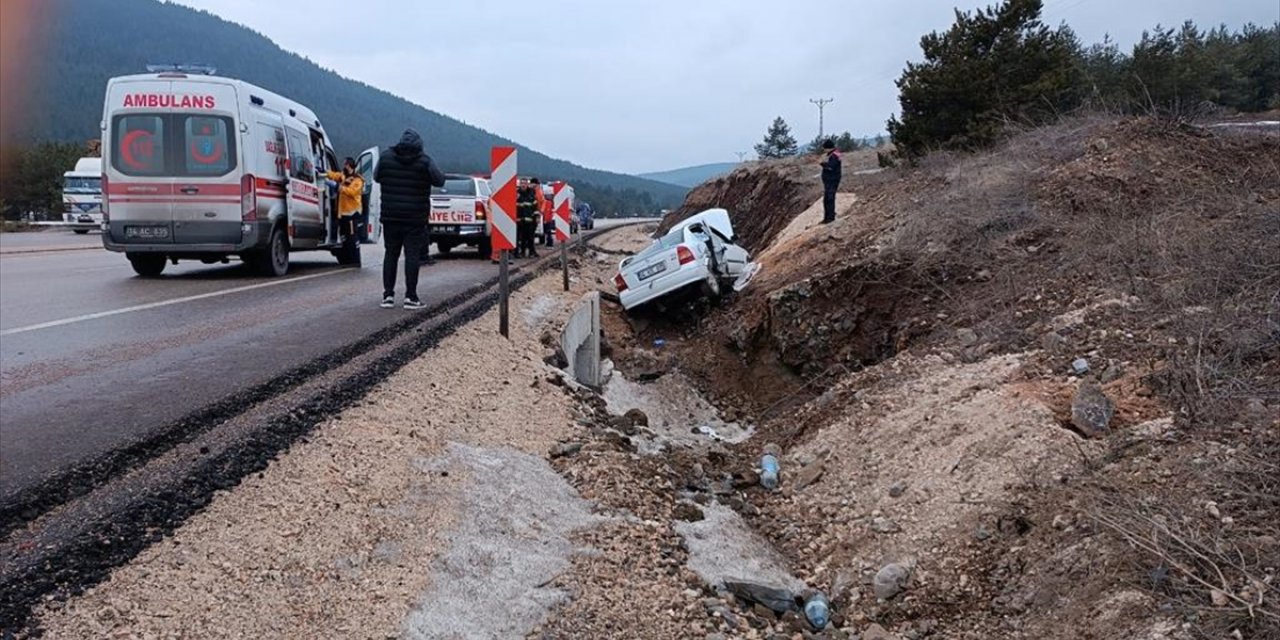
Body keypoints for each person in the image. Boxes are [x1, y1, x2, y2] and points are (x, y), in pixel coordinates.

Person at [374, 129, 445, 309]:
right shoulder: (424, 161)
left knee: (390, 254)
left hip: (390, 216)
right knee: (411, 256)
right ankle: (411, 297)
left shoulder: (386, 157)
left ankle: (388, 296)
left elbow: (376, 176)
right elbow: (440, 180)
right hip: (415, 217)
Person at [321, 157, 364, 263]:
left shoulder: (358, 180)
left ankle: (355, 260)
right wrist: (325, 172)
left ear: (350, 165)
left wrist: (338, 187)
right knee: (344, 237)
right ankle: (346, 259)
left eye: (345, 164)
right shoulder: (343, 176)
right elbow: (335, 175)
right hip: (343, 213)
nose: (344, 166)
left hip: (352, 213)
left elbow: (352, 192)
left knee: (352, 237)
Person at [819, 139, 842, 224]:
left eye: (825, 148)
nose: (824, 150)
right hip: (829, 180)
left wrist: (822, 164)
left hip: (832, 180)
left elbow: (831, 167)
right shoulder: (832, 154)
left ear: (828, 148)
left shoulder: (834, 155)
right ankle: (827, 217)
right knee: (827, 199)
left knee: (829, 198)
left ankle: (830, 218)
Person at [515, 178, 539, 258]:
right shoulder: (517, 194)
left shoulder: (531, 194)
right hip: (519, 219)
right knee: (519, 237)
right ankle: (521, 252)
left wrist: (536, 217)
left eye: (524, 183)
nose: (523, 185)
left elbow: (535, 207)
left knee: (530, 237)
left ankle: (531, 252)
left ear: (527, 184)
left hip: (529, 220)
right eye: (521, 183)